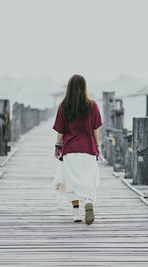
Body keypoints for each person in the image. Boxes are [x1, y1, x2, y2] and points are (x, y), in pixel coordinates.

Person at [52, 74, 102, 225]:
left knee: (71, 181)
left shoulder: (64, 106)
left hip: (70, 149)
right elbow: (95, 130)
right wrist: (97, 145)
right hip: (88, 148)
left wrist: (57, 146)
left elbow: (60, 130)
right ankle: (88, 201)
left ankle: (76, 213)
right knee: (88, 179)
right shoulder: (92, 105)